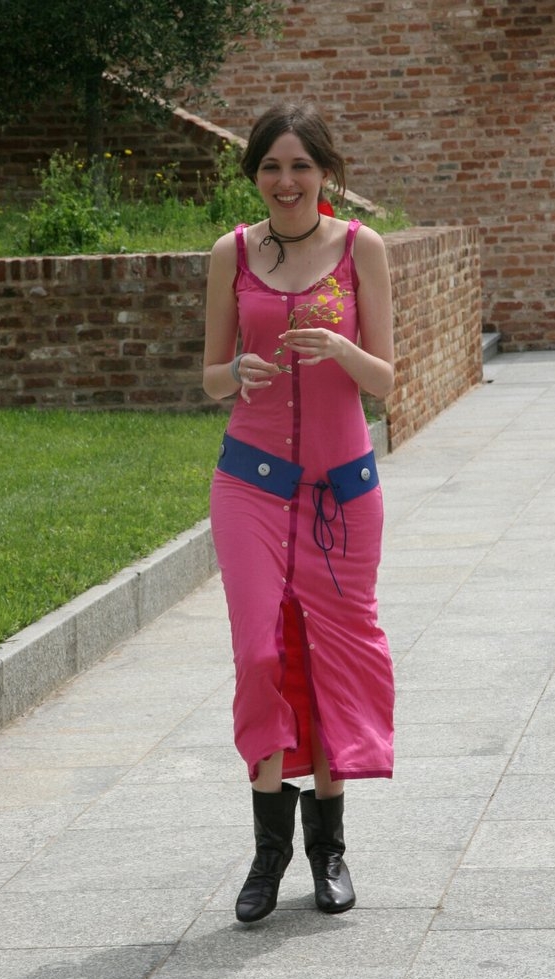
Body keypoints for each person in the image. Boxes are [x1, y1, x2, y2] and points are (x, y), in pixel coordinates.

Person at [203, 103, 395, 924]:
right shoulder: (231, 252)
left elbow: (385, 379)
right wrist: (235, 373)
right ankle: (267, 854)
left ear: (325, 172)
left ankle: (328, 853)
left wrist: (343, 351)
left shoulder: (360, 249)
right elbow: (208, 377)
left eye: (300, 167)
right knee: (259, 654)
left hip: (341, 491)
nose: (285, 182)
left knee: (330, 660)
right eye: (271, 167)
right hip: (249, 483)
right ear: (254, 174)